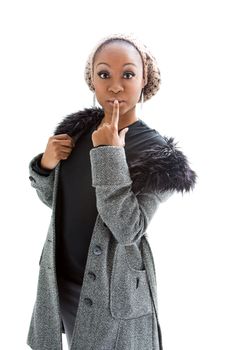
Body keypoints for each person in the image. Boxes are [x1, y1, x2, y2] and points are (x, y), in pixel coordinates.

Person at [26, 32, 197, 350]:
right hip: (58, 282)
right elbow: (60, 203)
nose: (115, 85)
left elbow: (128, 228)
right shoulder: (76, 134)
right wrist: (46, 167)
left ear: (145, 78)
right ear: (91, 78)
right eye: (104, 73)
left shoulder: (157, 154)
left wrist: (109, 155)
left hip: (111, 295)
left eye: (128, 74)